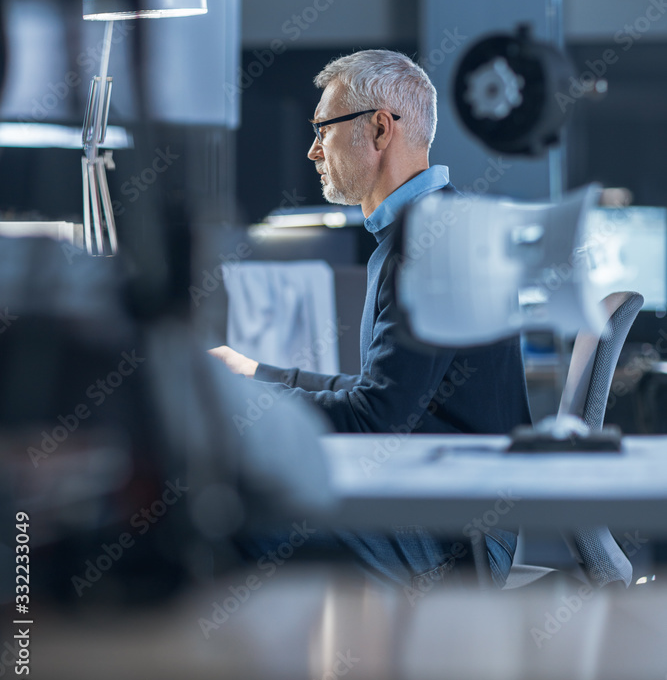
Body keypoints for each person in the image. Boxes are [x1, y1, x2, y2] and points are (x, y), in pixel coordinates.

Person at [211, 49, 531, 589]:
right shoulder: (424, 228)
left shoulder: (426, 242)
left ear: (380, 129)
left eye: (323, 130)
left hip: (458, 539)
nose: (313, 150)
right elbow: (379, 396)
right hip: (448, 507)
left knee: (235, 522)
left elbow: (374, 418)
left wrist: (252, 408)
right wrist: (258, 374)